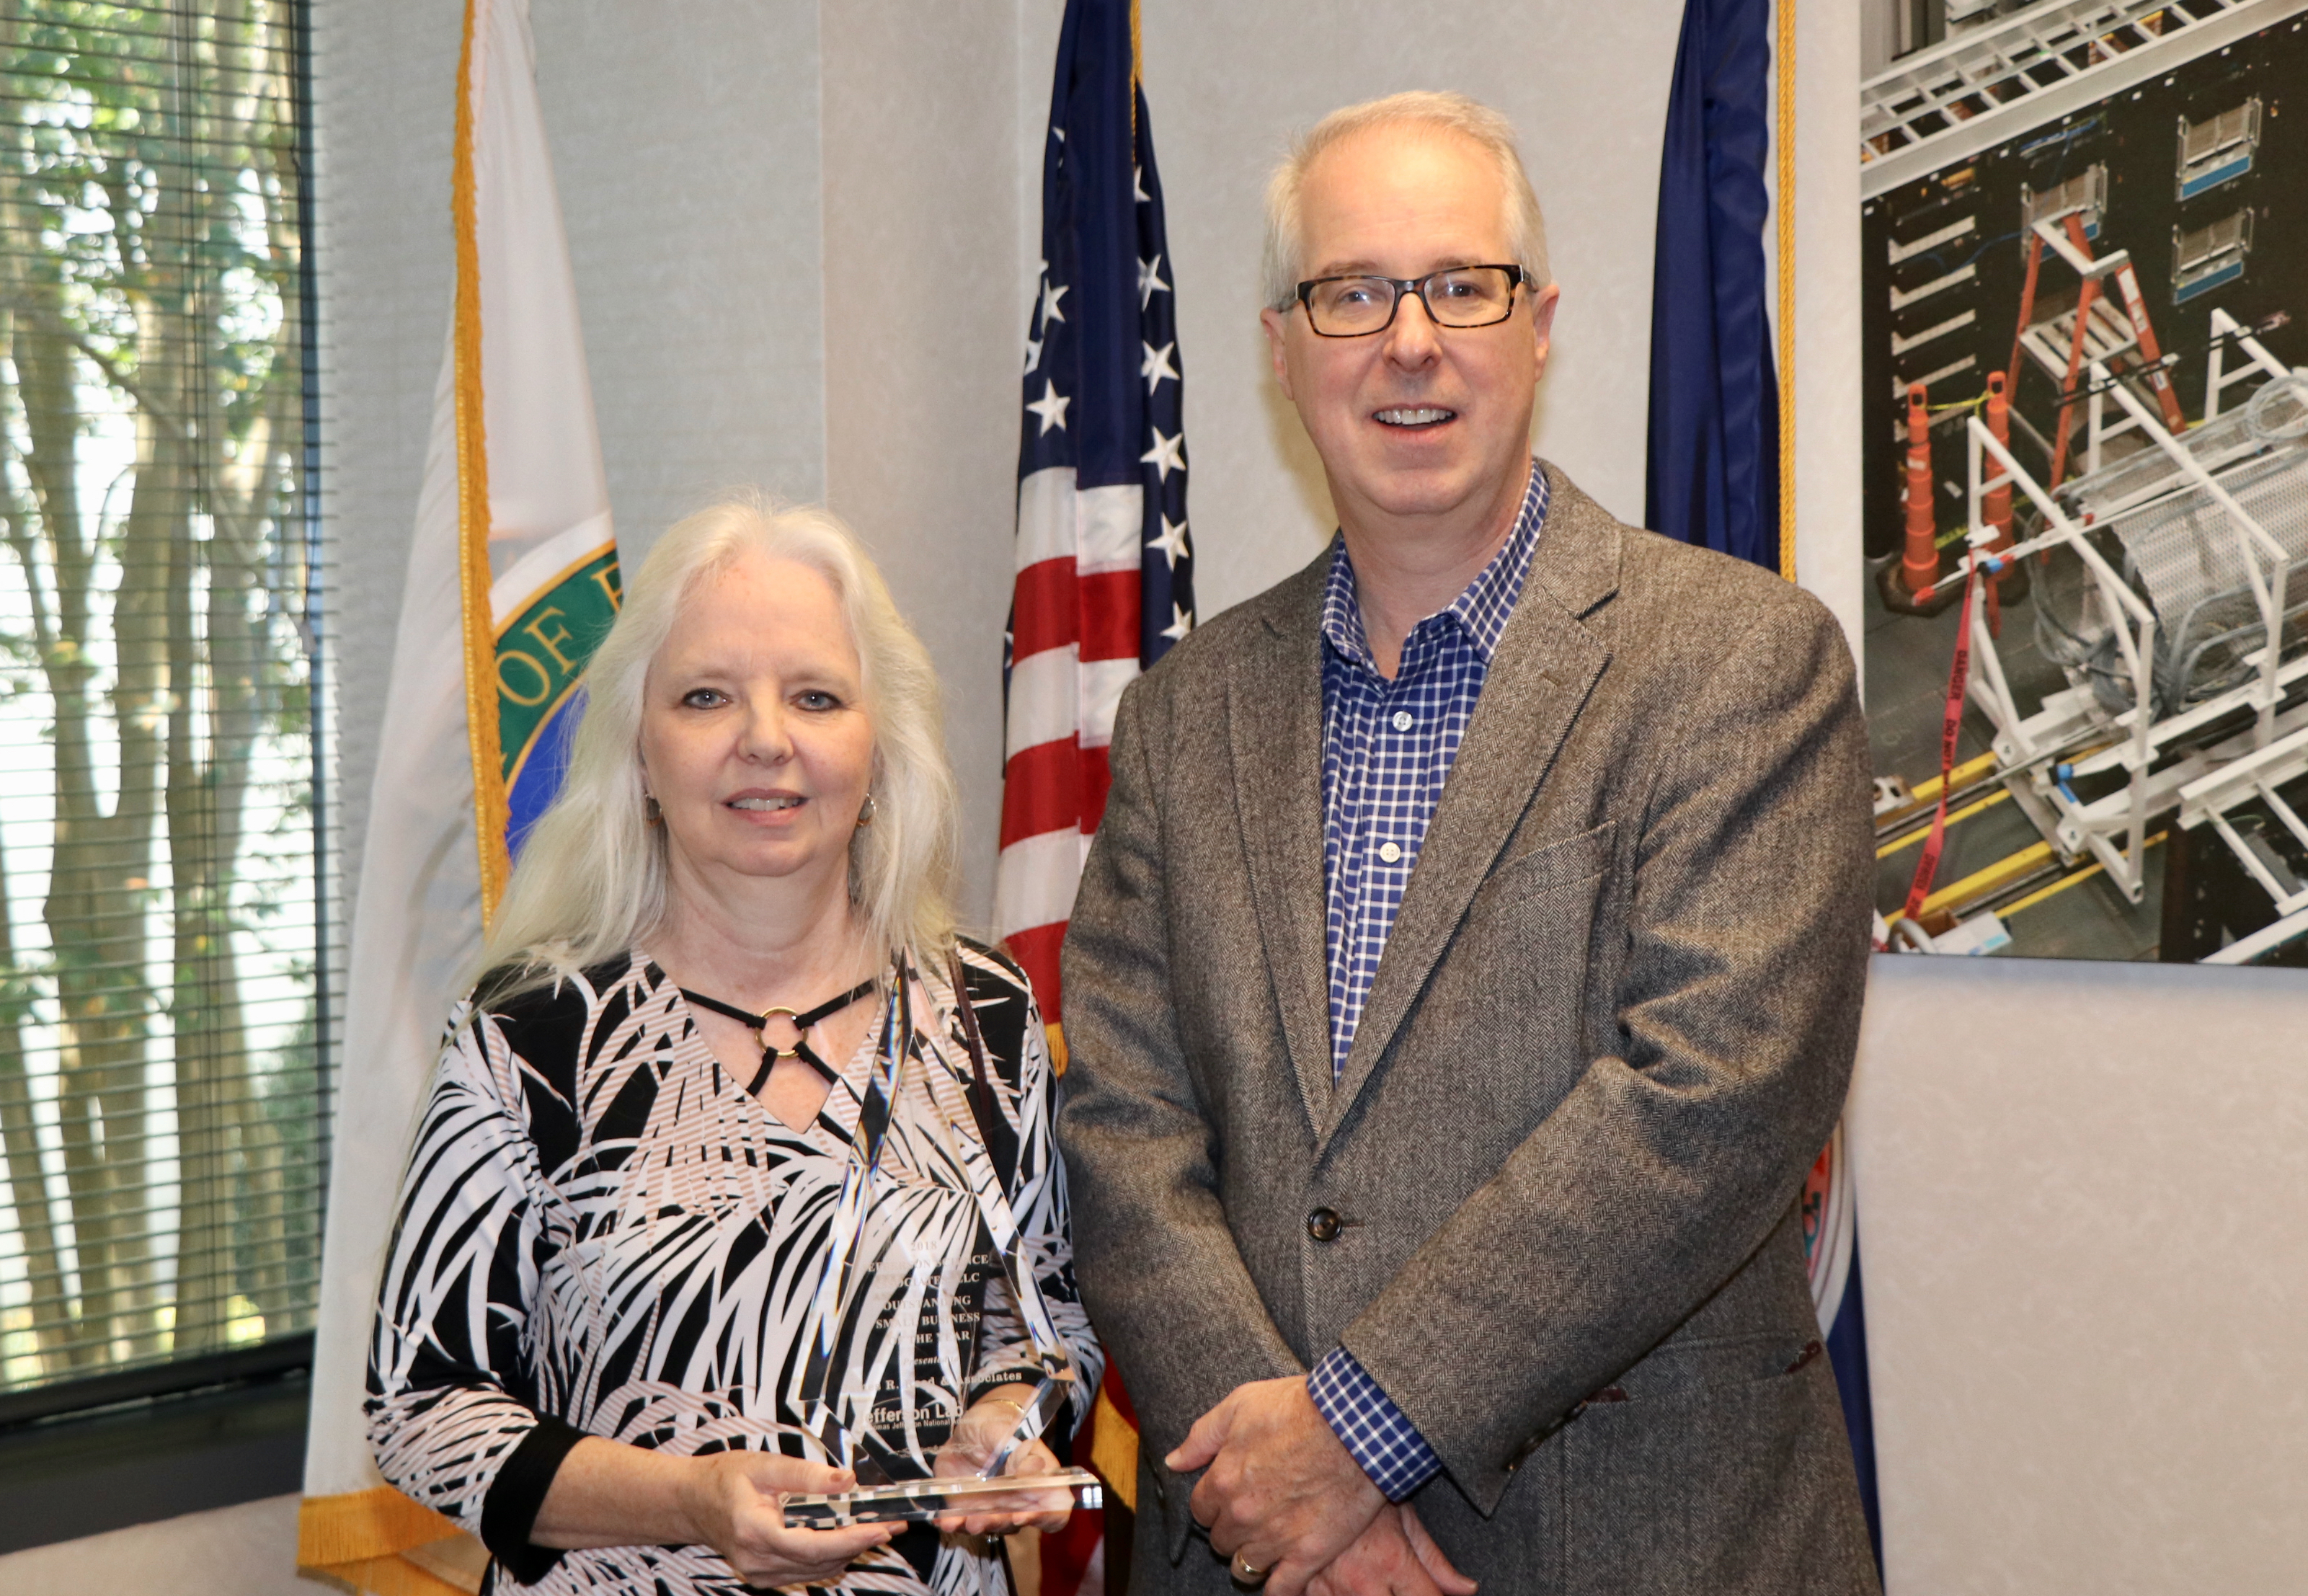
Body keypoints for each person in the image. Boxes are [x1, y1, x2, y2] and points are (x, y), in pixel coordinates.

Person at [1057, 92, 1876, 1596]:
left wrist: (1353, 1435)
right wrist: (1284, 1483)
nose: (1408, 341)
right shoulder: (1180, 716)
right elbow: (1121, 1127)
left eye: (1459, 286)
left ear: (1538, 324)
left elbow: (1705, 1101)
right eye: (1350, 292)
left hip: (1646, 1543)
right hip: (1259, 1555)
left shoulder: (1741, 661)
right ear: (1280, 343)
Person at [368, 498, 1101, 1596]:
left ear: (877, 749)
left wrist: (1003, 1424)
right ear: (641, 753)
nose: (766, 737)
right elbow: (421, 1405)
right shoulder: (530, 1032)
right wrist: (689, 1500)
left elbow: (1043, 1317)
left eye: (815, 695)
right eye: (707, 696)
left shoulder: (984, 1009)